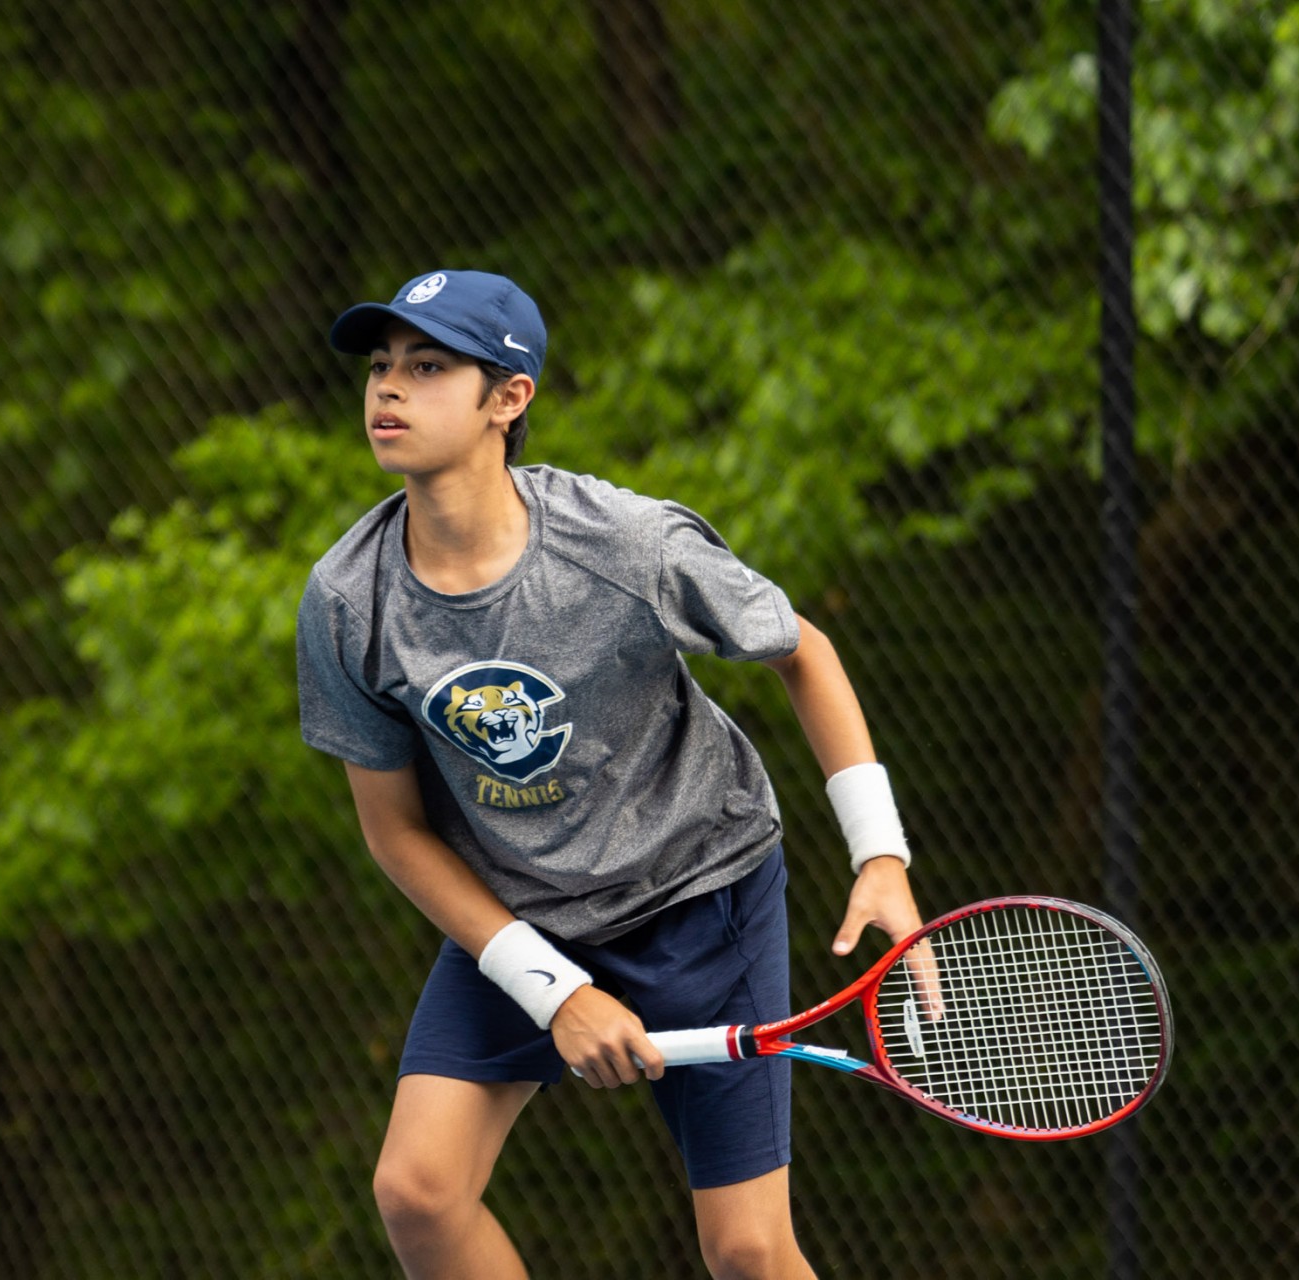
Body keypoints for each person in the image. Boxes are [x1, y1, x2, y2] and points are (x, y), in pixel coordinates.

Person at [296, 269, 923, 1279]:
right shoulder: (348, 599)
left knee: (750, 1251)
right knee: (416, 1190)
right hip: (522, 914)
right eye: (380, 366)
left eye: (428, 365)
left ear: (510, 398)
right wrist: (552, 988)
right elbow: (395, 830)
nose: (389, 389)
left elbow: (800, 649)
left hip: (697, 891)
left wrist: (880, 852)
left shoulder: (624, 544)